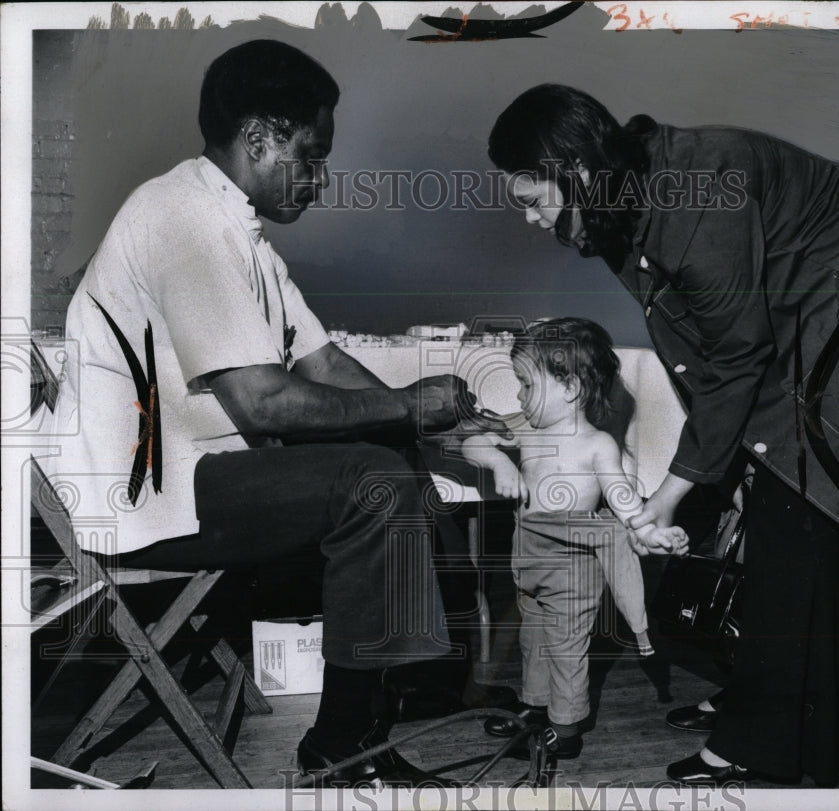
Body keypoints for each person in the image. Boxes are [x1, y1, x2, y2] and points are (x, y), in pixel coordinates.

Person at [44, 40, 509, 788]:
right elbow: (262, 398)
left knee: (399, 461)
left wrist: (437, 421)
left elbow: (320, 362)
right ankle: (341, 749)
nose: (322, 179)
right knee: (375, 482)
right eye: (312, 154)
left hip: (203, 477)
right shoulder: (180, 216)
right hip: (148, 498)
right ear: (259, 137)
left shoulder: (244, 238)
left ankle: (405, 701)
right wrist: (403, 406)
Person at [487, 84, 839, 786]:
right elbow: (698, 342)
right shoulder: (616, 207)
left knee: (800, 530)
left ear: (579, 171)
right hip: (805, 337)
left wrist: (674, 488)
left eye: (534, 198)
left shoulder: (692, 194)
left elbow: (737, 353)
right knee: (786, 529)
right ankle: (784, 711)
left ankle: (766, 740)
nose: (534, 219)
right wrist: (716, 463)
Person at [460, 317, 689, 758]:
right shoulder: (527, 429)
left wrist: (653, 534)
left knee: (566, 648)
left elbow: (625, 504)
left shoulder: (598, 446)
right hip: (527, 560)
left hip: (572, 568)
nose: (519, 396)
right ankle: (534, 706)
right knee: (534, 640)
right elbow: (468, 441)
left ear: (570, 387)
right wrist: (498, 462)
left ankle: (565, 730)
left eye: (527, 385)